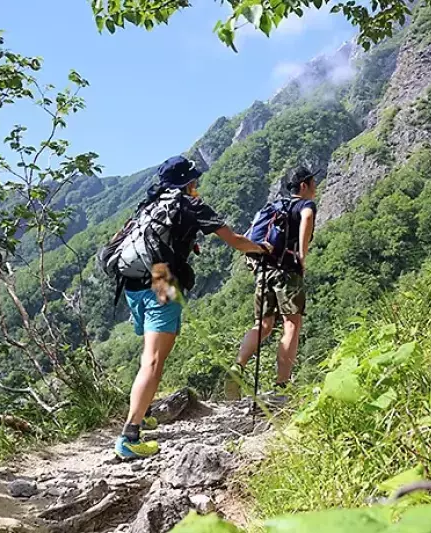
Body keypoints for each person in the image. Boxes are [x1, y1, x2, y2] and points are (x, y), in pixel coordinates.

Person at [115, 155, 268, 460]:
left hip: (132, 280)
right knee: (154, 360)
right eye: (194, 181)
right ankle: (129, 437)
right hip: (162, 279)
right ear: (189, 183)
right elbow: (236, 241)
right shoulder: (188, 205)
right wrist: (263, 249)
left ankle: (142, 413)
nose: (197, 186)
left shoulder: (150, 205)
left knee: (150, 352)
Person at [227, 166, 318, 398]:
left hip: (264, 270)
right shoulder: (304, 205)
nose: (316, 186)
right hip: (287, 271)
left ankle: (238, 366)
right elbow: (307, 218)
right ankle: (282, 384)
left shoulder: (278, 207)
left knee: (264, 325)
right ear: (304, 186)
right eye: (313, 182)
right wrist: (302, 255)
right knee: (291, 324)